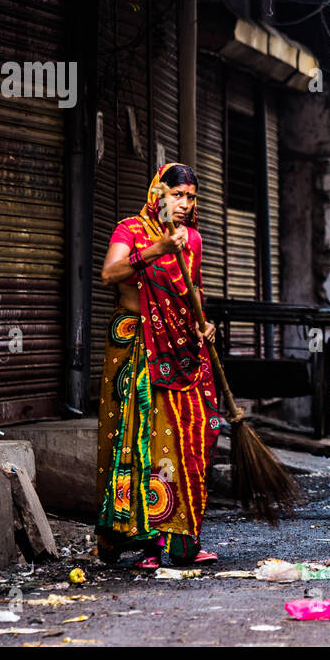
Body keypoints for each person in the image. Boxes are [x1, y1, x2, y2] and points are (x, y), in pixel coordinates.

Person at [96, 163, 222, 569]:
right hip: (138, 348)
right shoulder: (130, 229)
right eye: (176, 194)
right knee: (143, 440)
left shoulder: (194, 240)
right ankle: (146, 544)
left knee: (193, 436)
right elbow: (110, 274)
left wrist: (204, 322)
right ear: (157, 195)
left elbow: (194, 289)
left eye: (190, 197)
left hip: (184, 350)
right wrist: (156, 250)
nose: (184, 204)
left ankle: (184, 538)